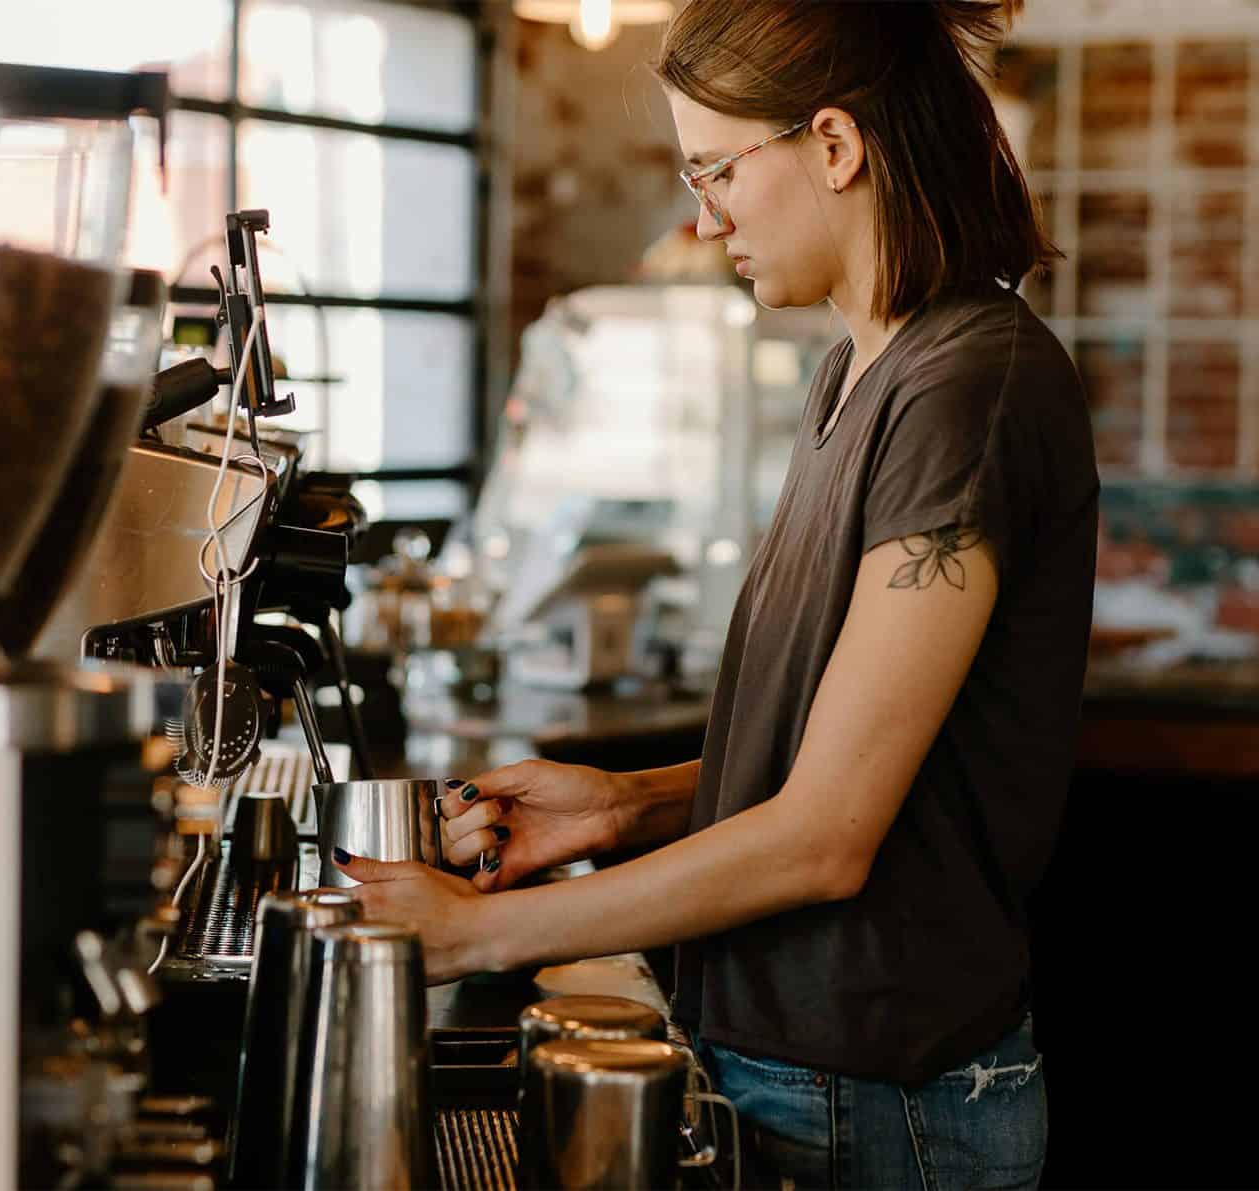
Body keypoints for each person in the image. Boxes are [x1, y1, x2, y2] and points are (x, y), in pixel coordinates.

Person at [336, 2, 1098, 1186]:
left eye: (717, 169)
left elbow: (829, 839)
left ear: (834, 147)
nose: (704, 217)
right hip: (803, 1072)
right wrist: (622, 805)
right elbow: (861, 760)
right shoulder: (857, 373)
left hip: (882, 1099)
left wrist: (480, 931)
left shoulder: (969, 389)